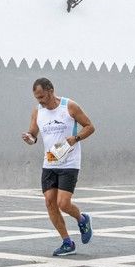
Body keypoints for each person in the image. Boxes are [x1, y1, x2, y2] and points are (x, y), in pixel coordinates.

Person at [21, 77, 95, 256]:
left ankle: (82, 218)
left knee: (63, 203)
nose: (40, 101)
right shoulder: (38, 111)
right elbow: (33, 134)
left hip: (69, 163)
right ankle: (67, 242)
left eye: (42, 97)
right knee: (49, 202)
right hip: (50, 162)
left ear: (51, 91)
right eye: (37, 98)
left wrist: (76, 138)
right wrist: (30, 139)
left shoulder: (69, 106)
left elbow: (90, 127)